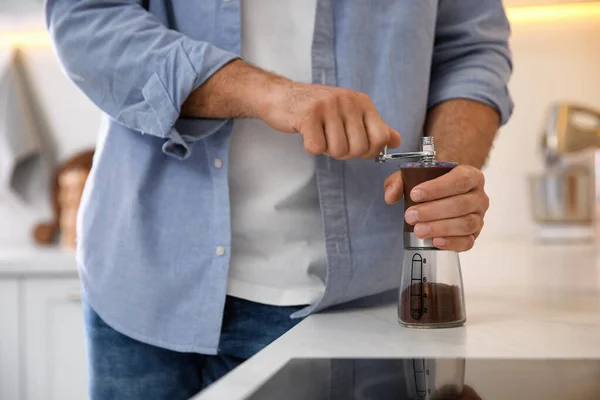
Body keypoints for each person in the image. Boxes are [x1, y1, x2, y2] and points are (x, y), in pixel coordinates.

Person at [46, 0, 512, 398]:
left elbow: (471, 48)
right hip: (143, 287)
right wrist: (270, 93)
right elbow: (86, 18)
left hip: (355, 308)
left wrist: (442, 175)